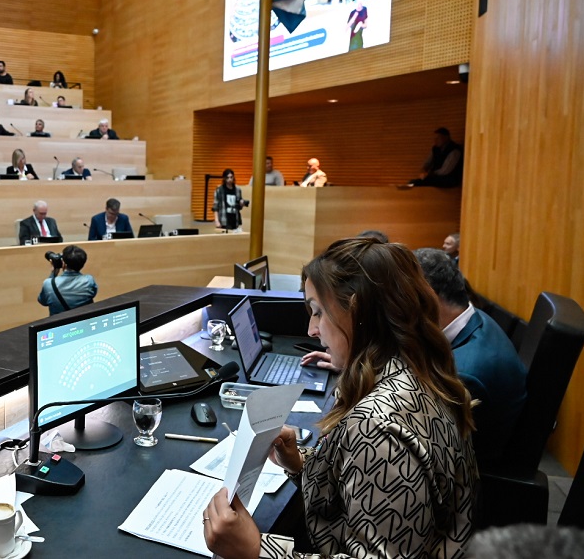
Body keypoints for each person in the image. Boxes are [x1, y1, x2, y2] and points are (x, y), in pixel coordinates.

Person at [204, 238, 477, 559]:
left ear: (356, 312)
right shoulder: (420, 370)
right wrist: (301, 464)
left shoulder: (375, 428)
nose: (311, 329)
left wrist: (256, 551)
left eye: (318, 312)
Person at [414, 247, 527, 462]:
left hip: (472, 471)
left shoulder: (464, 374)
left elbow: (431, 447)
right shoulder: (473, 317)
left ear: (427, 298)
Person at [38, 245, 97, 316]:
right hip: (83, 321)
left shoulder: (49, 284)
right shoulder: (89, 281)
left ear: (63, 263)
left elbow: (43, 301)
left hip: (59, 322)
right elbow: (93, 294)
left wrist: (53, 273)